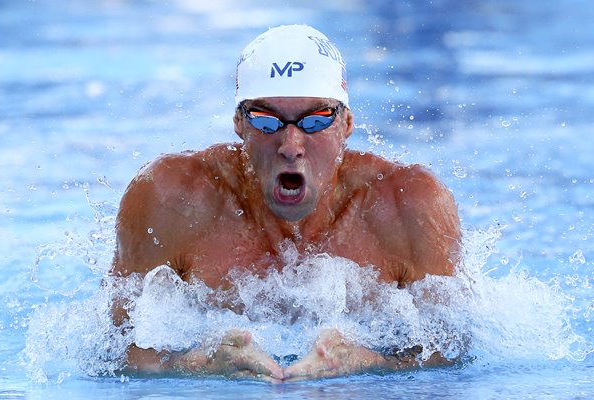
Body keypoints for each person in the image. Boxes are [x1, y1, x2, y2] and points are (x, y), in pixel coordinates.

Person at [110, 24, 461, 383]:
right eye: (266, 121)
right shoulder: (172, 200)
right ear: (238, 123)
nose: (291, 144)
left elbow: (454, 350)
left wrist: (368, 361)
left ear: (347, 124)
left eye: (315, 120)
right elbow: (114, 352)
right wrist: (198, 365)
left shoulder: (408, 206)